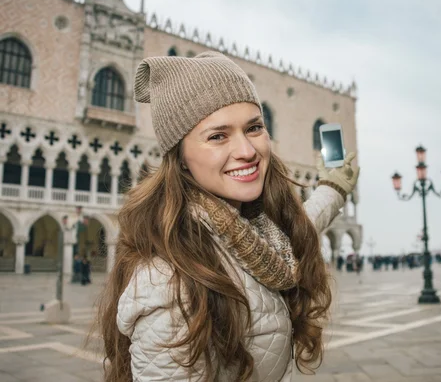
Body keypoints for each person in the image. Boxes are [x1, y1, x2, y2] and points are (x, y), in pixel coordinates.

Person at [94, 52, 360, 381]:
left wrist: (333, 188)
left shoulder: (253, 231)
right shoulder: (168, 283)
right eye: (218, 136)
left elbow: (293, 234)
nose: (247, 151)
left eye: (254, 128)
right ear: (181, 157)